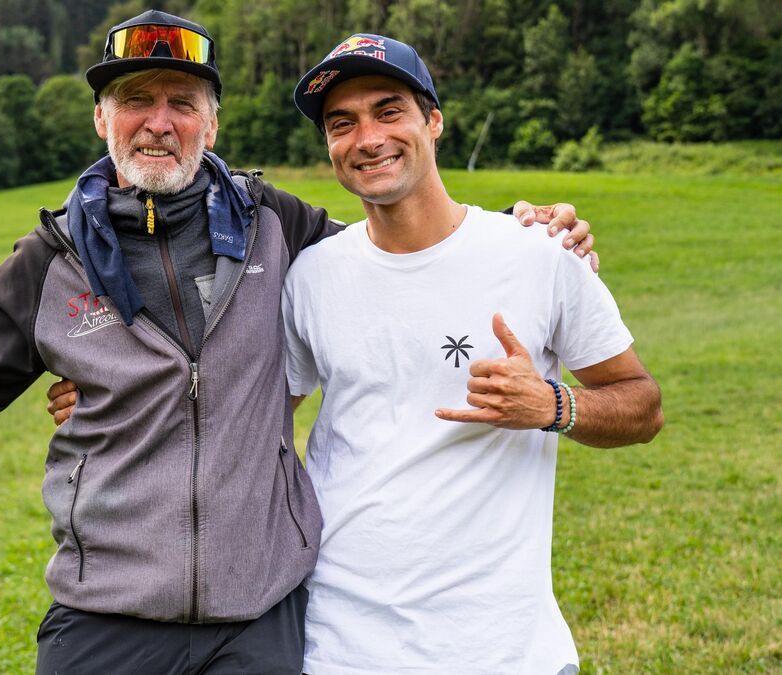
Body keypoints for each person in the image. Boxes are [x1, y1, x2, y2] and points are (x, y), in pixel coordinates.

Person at [0, 11, 597, 675]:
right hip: (105, 623)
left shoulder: (280, 228)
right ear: (101, 119)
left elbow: (404, 254)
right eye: (135, 99)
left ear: (212, 124)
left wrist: (533, 231)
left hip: (262, 622)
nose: (159, 121)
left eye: (183, 102)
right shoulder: (50, 260)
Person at [278, 35, 663, 673]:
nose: (367, 137)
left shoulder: (538, 253)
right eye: (341, 124)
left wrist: (552, 405)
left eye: (389, 111)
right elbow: (247, 415)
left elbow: (642, 406)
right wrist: (101, 393)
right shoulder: (311, 276)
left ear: (434, 121)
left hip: (502, 645)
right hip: (339, 643)